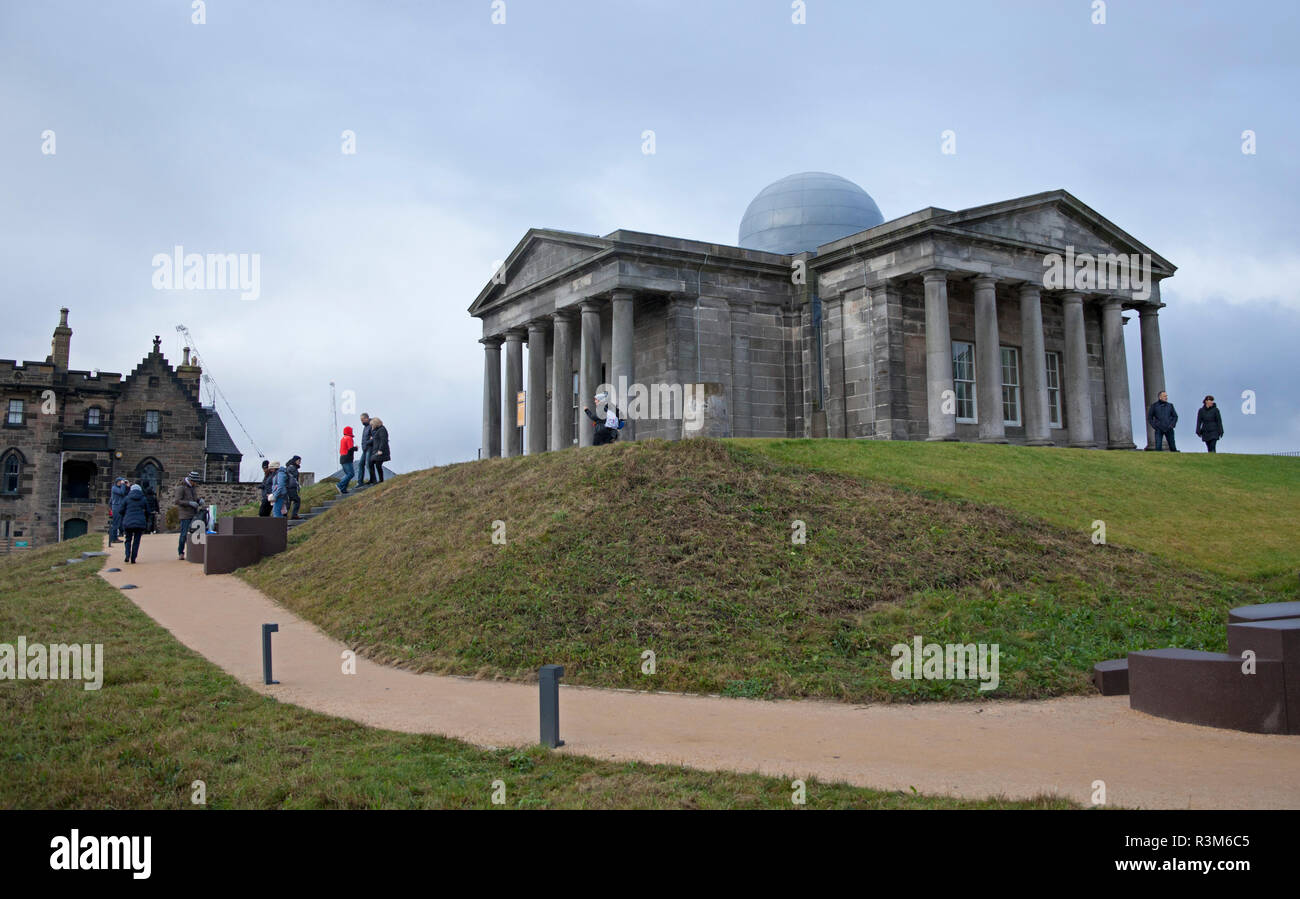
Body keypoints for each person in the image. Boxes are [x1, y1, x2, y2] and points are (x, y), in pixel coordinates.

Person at [174, 471, 203, 560]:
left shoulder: (193, 488)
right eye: (195, 481)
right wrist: (189, 503)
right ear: (191, 480)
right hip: (185, 514)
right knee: (183, 534)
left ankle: (194, 553)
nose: (196, 483)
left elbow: (194, 498)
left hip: (194, 513)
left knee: (196, 534)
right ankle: (180, 552)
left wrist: (199, 500)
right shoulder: (181, 488)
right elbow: (177, 501)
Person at [119, 483, 149, 564]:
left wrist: (125, 515)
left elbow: (120, 510)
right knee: (136, 541)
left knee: (128, 539)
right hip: (139, 523)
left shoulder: (126, 498)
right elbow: (148, 511)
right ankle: (133, 558)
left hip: (128, 522)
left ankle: (127, 555)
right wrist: (145, 519)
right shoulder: (143, 499)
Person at [108, 477, 129, 545]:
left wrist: (127, 487)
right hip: (116, 507)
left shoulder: (120, 487)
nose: (122, 483)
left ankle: (115, 537)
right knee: (115, 523)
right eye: (121, 481)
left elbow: (126, 494)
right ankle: (113, 538)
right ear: (118, 482)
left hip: (119, 507)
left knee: (119, 523)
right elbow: (122, 493)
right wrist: (123, 485)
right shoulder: (114, 488)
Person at [367, 419, 389, 483]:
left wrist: (380, 450)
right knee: (371, 463)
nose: (371, 426)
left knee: (377, 465)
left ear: (375, 424)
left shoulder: (382, 430)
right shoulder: (378, 430)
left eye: (372, 425)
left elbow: (383, 440)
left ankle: (381, 480)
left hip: (381, 451)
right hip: (377, 451)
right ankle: (375, 480)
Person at [338, 426, 357, 493]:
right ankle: (340, 485)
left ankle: (343, 489)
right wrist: (356, 448)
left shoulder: (343, 438)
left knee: (347, 474)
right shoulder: (349, 438)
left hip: (342, 458)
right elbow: (350, 448)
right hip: (347, 458)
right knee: (351, 474)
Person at [356, 413, 373, 486]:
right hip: (365, 449)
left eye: (362, 420)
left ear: (367, 418)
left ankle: (373, 479)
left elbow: (373, 437)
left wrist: (368, 442)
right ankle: (360, 482)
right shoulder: (365, 427)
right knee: (360, 464)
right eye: (361, 420)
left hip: (370, 448)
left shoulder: (372, 425)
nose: (362, 422)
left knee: (368, 464)